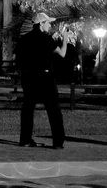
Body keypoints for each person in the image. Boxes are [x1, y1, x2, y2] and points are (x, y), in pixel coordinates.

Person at [16, 12, 68, 148]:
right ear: (41, 24)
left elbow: (19, 60)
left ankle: (25, 139)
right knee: (53, 110)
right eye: (48, 23)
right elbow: (62, 53)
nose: (50, 26)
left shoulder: (24, 39)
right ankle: (58, 142)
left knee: (28, 109)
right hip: (45, 78)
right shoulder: (46, 39)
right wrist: (65, 38)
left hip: (29, 77)